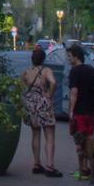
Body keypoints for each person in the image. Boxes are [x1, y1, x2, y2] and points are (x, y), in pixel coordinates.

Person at [22, 46, 62, 178]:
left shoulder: (27, 71)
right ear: (43, 59)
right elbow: (54, 82)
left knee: (35, 133)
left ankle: (36, 164)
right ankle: (50, 166)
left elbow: (22, 86)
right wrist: (49, 95)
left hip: (31, 104)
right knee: (49, 134)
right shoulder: (46, 70)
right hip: (44, 104)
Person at [66, 44, 94, 181]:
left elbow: (74, 92)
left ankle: (83, 169)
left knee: (79, 141)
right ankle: (91, 169)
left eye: (69, 56)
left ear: (75, 56)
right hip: (91, 111)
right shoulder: (91, 70)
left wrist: (71, 110)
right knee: (90, 139)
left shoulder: (75, 71)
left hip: (80, 111)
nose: (68, 59)